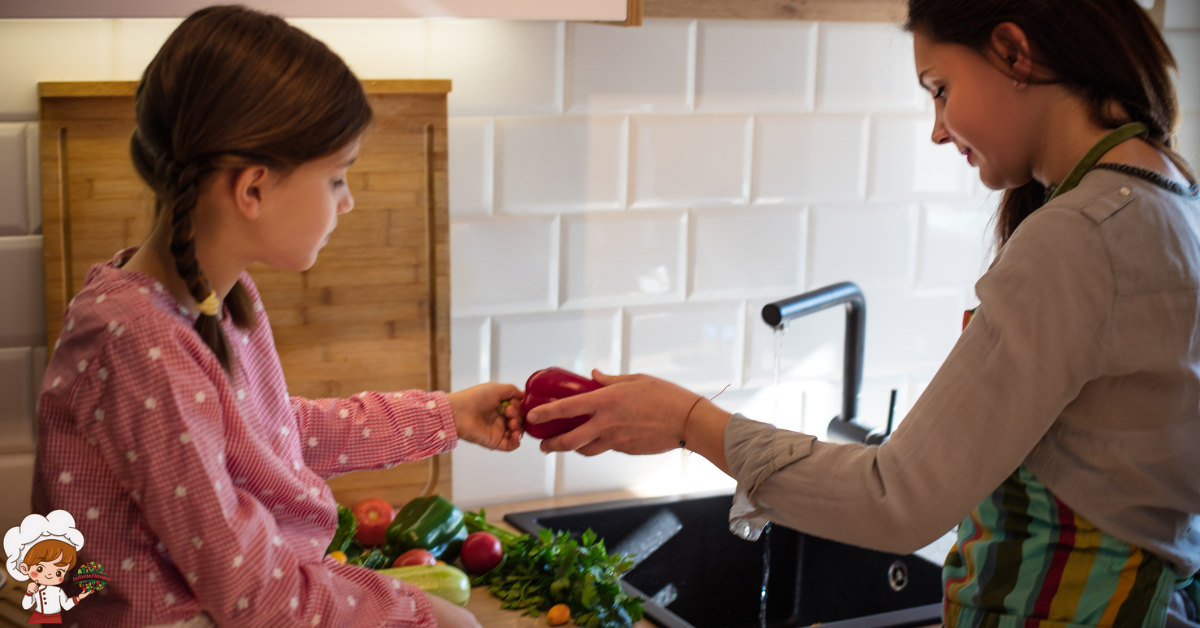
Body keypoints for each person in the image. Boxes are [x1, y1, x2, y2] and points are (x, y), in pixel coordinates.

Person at [529, 0, 1200, 625]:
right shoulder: (1169, 198)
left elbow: (896, 498)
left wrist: (687, 421)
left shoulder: (1081, 236)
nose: (939, 130)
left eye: (940, 89)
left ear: (1014, 54)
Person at [32, 6, 522, 628]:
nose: (348, 202)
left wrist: (445, 416)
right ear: (254, 189)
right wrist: (415, 613)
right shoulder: (134, 344)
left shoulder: (221, 299)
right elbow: (257, 600)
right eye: (337, 178)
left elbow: (273, 439)